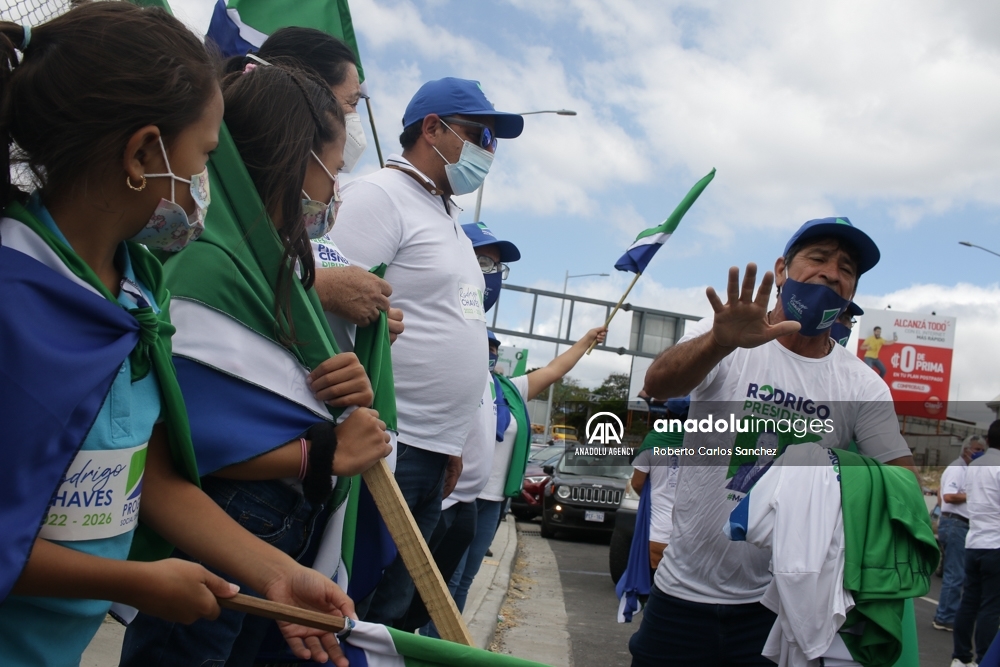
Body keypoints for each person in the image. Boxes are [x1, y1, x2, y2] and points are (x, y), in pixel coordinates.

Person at [0, 6, 354, 666]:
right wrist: (133, 580)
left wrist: (275, 570)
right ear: (141, 154)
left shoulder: (137, 289)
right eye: (206, 158)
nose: (207, 188)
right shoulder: (15, 296)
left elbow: (153, 477)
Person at [119, 63, 390, 666]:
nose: (334, 195)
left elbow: (272, 389)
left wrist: (339, 389)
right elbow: (169, 444)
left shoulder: (284, 274)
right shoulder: (205, 266)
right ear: (297, 161)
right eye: (335, 172)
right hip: (222, 527)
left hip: (269, 534)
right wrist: (320, 451)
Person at [633, 217, 917, 666]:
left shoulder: (862, 385)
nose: (831, 273)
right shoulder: (722, 335)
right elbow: (658, 385)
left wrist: (830, 473)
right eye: (819, 258)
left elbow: (902, 483)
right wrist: (719, 344)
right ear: (782, 269)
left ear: (852, 292)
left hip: (780, 611)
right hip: (681, 593)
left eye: (846, 268)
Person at [329, 77, 524, 626]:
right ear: (431, 128)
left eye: (494, 141)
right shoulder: (380, 197)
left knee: (390, 611)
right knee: (354, 600)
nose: (489, 150)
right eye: (480, 133)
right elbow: (328, 299)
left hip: (433, 453)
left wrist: (456, 439)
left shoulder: (450, 223)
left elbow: (454, 330)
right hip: (389, 440)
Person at [227, 28, 404, 341]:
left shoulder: (298, 214)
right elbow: (217, 280)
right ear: (306, 97)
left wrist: (369, 318)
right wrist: (324, 288)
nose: (353, 119)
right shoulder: (222, 196)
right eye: (351, 103)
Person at [952, 420, 1000, 667]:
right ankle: (984, 659)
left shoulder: (974, 465)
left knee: (969, 602)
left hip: (974, 540)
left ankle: (960, 657)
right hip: (996, 544)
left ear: (988, 441)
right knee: (991, 607)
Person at [935, 435, 988, 631]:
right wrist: (974, 494)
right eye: (976, 448)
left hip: (961, 524)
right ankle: (944, 616)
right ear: (966, 449)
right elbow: (948, 496)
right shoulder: (958, 469)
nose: (979, 452)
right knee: (955, 573)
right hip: (955, 524)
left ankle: (950, 613)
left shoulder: (969, 470)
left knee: (961, 573)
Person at [629, 396, 689, 569]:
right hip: (690, 537)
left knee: (652, 586)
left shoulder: (653, 440)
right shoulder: (705, 441)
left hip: (658, 533)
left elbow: (637, 483)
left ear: (668, 413)